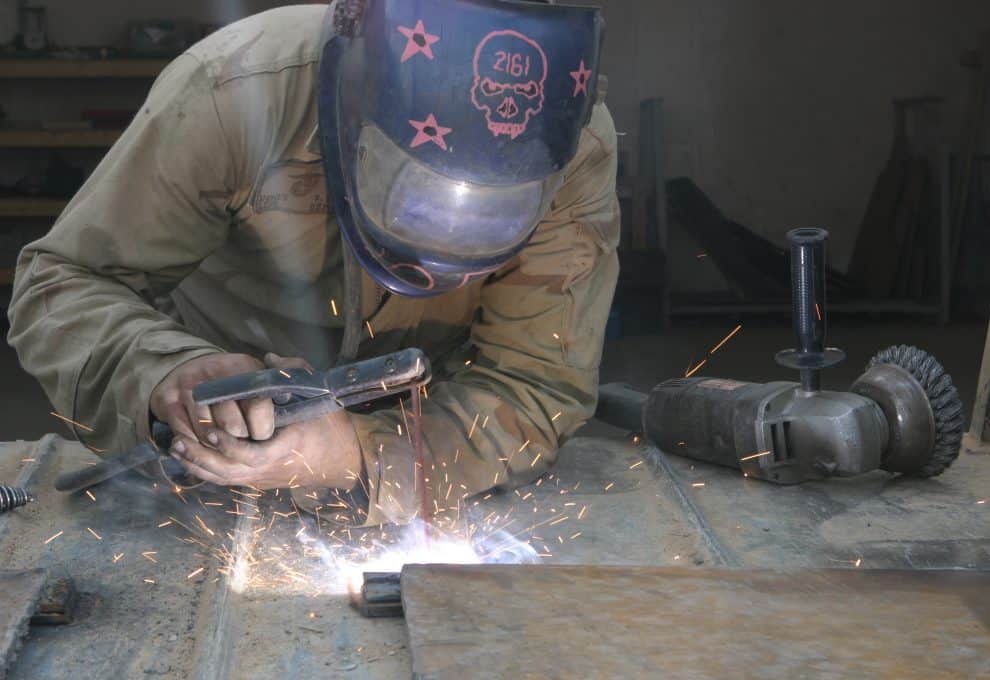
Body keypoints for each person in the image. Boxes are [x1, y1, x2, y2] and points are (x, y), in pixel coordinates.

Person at [8, 0, 619, 526]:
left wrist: (357, 455)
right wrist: (170, 373)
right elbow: (60, 284)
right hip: (214, 444)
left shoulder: (570, 144)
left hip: (428, 439)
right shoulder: (235, 91)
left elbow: (538, 381)